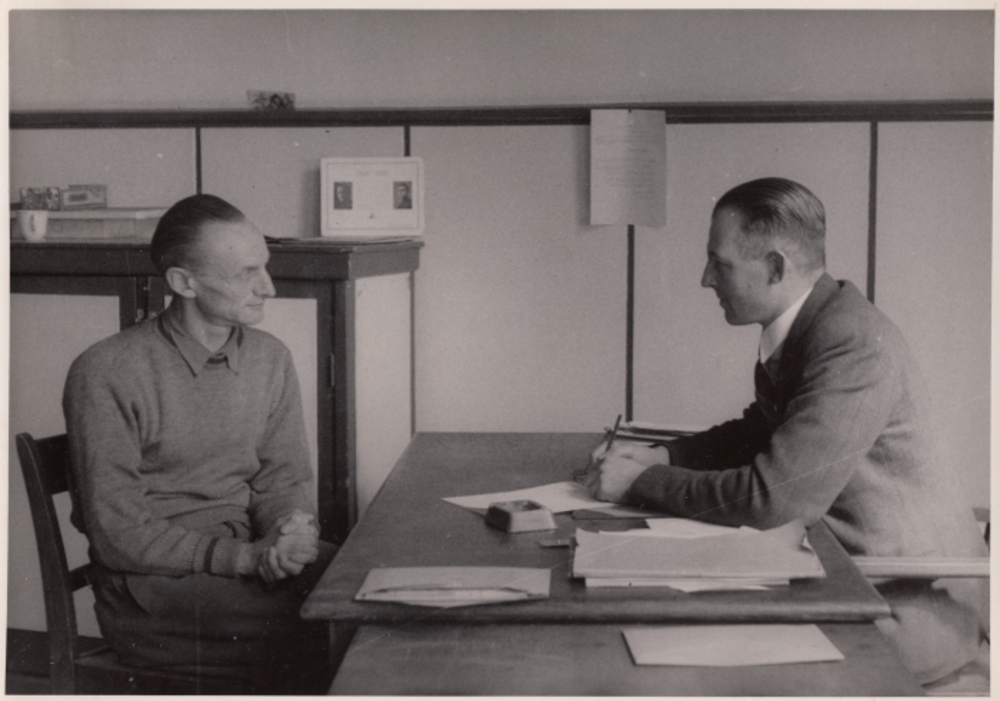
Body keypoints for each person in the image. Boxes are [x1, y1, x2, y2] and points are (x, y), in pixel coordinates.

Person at [580, 177, 988, 687]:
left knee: (670, 657)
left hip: (909, 607)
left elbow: (776, 500)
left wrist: (639, 484)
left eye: (720, 263)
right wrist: (663, 456)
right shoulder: (815, 323)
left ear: (775, 267)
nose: (706, 279)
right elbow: (760, 431)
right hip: (852, 575)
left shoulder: (851, 342)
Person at [63, 194, 337, 692]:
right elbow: (118, 534)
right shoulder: (107, 371)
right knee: (334, 621)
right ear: (184, 283)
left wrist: (290, 530)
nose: (269, 287)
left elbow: (284, 478)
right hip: (152, 588)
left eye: (265, 267)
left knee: (360, 585)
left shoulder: (271, 359)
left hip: (246, 556)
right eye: (246, 273)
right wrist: (247, 558)